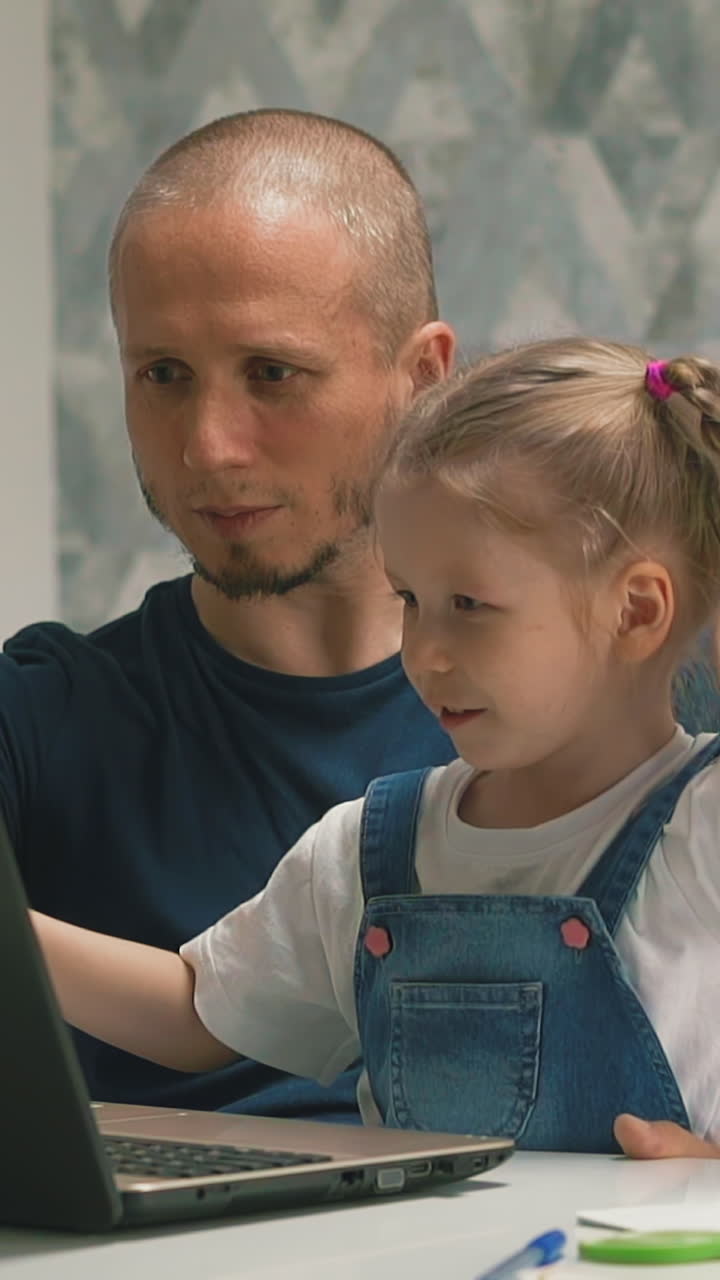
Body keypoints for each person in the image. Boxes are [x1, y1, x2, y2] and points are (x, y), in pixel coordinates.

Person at [31, 338, 720, 1156]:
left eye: (469, 603)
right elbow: (195, 1010)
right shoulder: (373, 849)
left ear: (637, 612)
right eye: (409, 599)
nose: (420, 652)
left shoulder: (705, 830)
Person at [4, 108, 458, 1123]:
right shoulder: (39, 718)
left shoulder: (621, 711)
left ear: (421, 377)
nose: (209, 446)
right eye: (163, 375)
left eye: (272, 373)